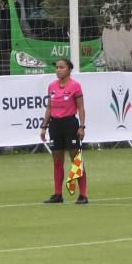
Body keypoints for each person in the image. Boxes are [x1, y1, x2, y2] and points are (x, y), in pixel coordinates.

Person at [39, 56, 88, 205]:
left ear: (69, 69)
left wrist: (81, 126)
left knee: (76, 160)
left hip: (70, 125)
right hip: (55, 126)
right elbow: (49, 107)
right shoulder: (52, 86)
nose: (58, 70)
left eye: (62, 67)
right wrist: (44, 126)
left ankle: (83, 195)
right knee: (57, 161)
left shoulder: (75, 86)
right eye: (57, 68)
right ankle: (58, 194)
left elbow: (80, 107)